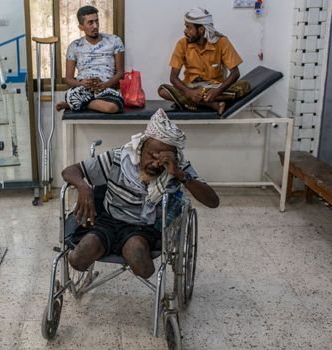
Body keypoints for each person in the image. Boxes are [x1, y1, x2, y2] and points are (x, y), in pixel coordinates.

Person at [62, 108, 219, 278]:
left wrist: (180, 175)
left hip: (144, 227)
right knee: (78, 259)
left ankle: (125, 247)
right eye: (152, 155)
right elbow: (70, 171)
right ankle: (104, 246)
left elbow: (213, 201)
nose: (156, 164)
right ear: (141, 148)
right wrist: (84, 187)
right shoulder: (119, 158)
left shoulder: (178, 168)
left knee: (142, 266)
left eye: (163, 160)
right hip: (108, 220)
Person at [158, 7, 250, 116]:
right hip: (191, 88)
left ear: (201, 30)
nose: (185, 31)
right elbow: (173, 77)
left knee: (245, 85)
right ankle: (212, 104)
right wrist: (189, 92)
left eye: (189, 28)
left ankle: (193, 102)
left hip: (215, 88)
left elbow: (235, 73)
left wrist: (217, 91)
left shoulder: (222, 42)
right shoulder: (182, 44)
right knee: (163, 90)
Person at [55, 5, 125, 114]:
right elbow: (68, 79)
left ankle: (74, 104)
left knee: (112, 107)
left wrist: (105, 84)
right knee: (73, 95)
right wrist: (82, 83)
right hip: (82, 89)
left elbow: (120, 73)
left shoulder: (115, 41)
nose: (95, 26)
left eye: (97, 21)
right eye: (90, 22)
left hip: (106, 88)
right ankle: (77, 102)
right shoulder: (74, 46)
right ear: (81, 27)